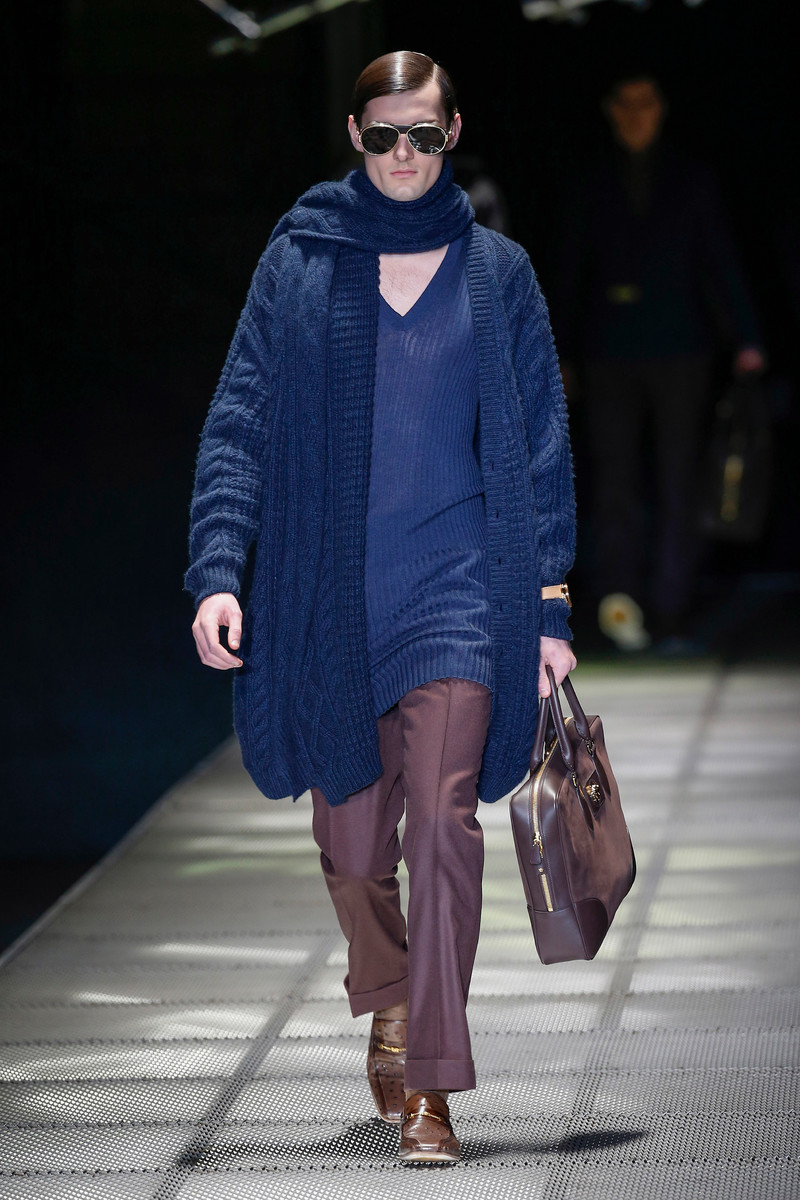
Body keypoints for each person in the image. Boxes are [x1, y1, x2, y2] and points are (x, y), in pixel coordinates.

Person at [186, 50, 576, 1164]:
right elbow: (239, 422)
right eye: (384, 134)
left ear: (452, 134)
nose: (405, 153)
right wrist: (218, 570)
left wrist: (547, 607)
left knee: (445, 822)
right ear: (354, 135)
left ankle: (432, 1089)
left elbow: (540, 446)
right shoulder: (301, 263)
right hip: (330, 606)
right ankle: (392, 995)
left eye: (425, 134)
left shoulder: (497, 273)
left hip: (459, 594)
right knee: (355, 853)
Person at [555, 73, 765, 651]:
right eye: (625, 104)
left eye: (644, 103)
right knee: (614, 480)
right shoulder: (591, 180)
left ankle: (672, 608)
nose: (635, 115)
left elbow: (719, 257)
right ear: (610, 110)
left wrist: (747, 337)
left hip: (681, 348)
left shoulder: (691, 178)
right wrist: (561, 350)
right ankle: (620, 606)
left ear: (661, 109)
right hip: (609, 351)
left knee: (680, 478)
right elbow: (571, 268)